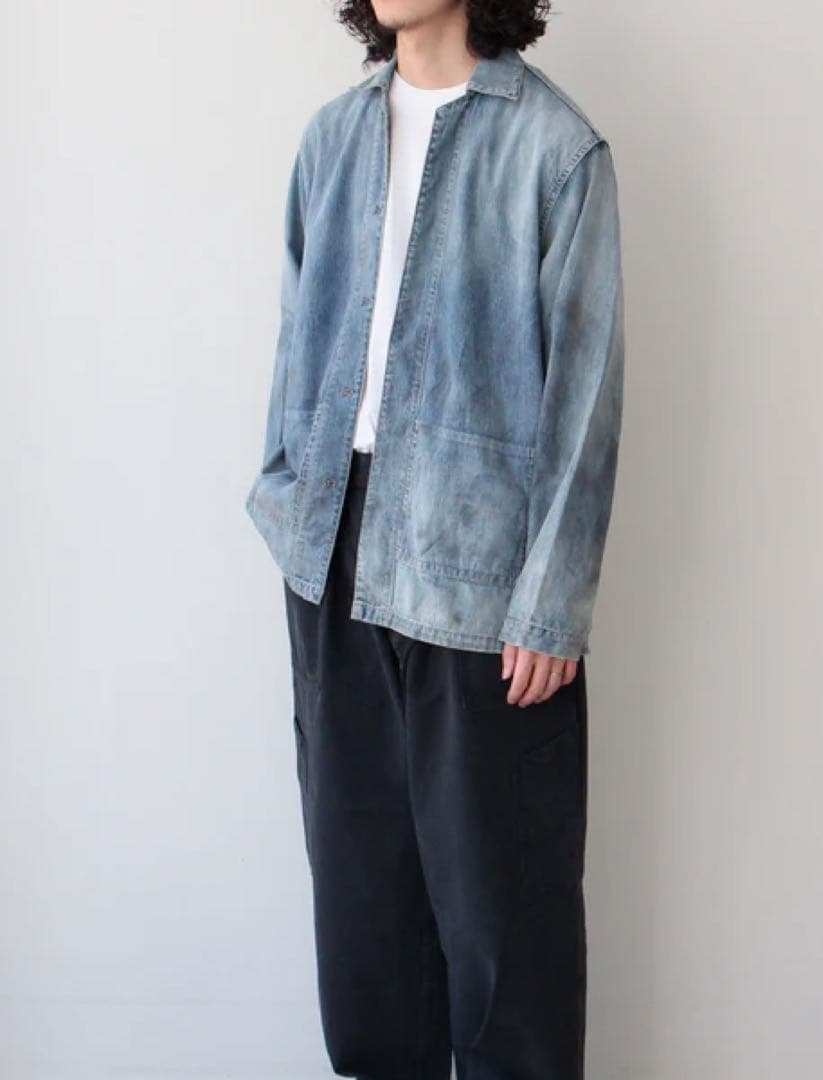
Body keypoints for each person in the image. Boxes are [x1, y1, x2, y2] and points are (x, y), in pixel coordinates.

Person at [244, 1, 625, 1076]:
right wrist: (285, 502)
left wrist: (549, 602)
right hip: (332, 555)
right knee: (363, 926)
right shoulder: (332, 136)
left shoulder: (554, 148)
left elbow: (585, 394)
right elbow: (296, 335)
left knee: (505, 933)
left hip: (480, 578)